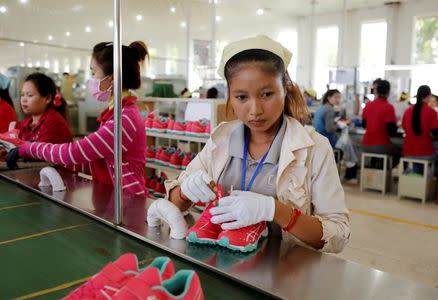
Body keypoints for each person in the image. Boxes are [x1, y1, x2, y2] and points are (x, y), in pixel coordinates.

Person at [165, 36, 350, 253]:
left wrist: (274, 210)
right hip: (220, 263)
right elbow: (175, 204)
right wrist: (185, 192)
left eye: (266, 94)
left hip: (283, 275)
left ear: (285, 88)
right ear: (230, 97)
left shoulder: (314, 148)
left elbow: (338, 234)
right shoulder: (221, 139)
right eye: (242, 97)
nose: (255, 110)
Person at [7, 41, 149, 195]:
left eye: (94, 73)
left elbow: (73, 153)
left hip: (128, 201)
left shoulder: (123, 119)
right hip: (113, 198)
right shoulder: (115, 114)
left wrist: (28, 148)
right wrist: (61, 161)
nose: (91, 79)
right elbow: (98, 162)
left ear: (112, 79)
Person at [16, 72, 72, 144]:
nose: (23, 100)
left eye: (29, 95)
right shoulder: (27, 123)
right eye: (22, 95)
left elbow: (37, 153)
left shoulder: (53, 122)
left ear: (47, 98)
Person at [402, 85, 438, 168]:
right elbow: (436, 132)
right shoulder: (431, 112)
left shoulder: (407, 111)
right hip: (425, 153)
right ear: (429, 96)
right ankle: (433, 179)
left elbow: (404, 127)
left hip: (407, 152)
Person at [361, 79, 400, 164]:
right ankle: (385, 172)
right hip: (381, 144)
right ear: (388, 92)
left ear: (376, 91)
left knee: (378, 153)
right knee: (398, 150)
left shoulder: (368, 105)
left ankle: (374, 167)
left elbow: (364, 125)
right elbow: (392, 130)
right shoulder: (388, 107)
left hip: (366, 144)